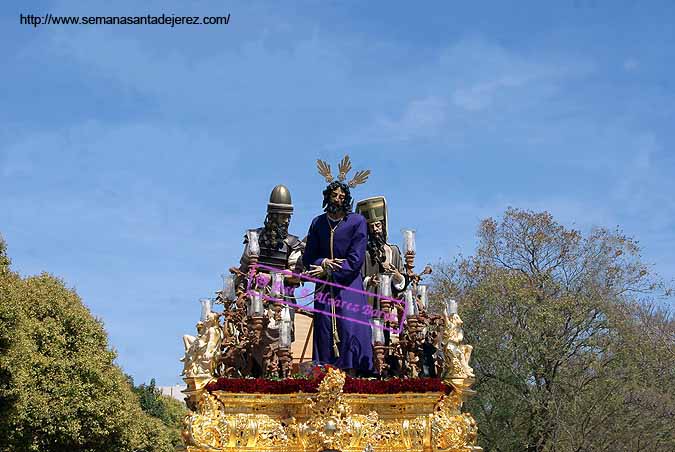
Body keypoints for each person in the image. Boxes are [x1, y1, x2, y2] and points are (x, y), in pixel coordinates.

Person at [302, 156, 372, 374]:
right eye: (334, 195)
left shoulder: (357, 222)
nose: (338, 199)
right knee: (324, 326)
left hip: (349, 284)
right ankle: (325, 371)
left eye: (342, 196)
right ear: (328, 197)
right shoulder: (318, 222)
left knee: (350, 325)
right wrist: (323, 263)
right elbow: (309, 256)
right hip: (324, 284)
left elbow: (356, 258)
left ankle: (353, 370)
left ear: (347, 198)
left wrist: (335, 269)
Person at [356, 196, 407, 300]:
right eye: (371, 226)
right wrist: (369, 281)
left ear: (383, 226)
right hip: (369, 304)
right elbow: (355, 279)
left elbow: (403, 281)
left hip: (391, 304)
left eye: (378, 225)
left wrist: (397, 275)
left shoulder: (394, 251)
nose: (375, 229)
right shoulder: (363, 252)